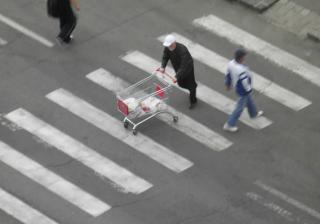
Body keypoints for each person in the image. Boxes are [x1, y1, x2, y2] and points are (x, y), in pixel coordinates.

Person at [223, 48, 263, 132]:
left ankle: (254, 114)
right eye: (244, 56)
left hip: (239, 88)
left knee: (249, 101)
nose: (245, 58)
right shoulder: (240, 69)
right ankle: (229, 124)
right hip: (243, 91)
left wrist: (227, 84)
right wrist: (249, 90)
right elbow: (244, 81)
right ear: (241, 58)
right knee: (239, 108)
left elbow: (228, 74)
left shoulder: (231, 63)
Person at [159, 34, 198, 109]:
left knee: (191, 85)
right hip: (177, 68)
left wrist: (176, 76)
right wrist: (163, 66)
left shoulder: (182, 50)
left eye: (170, 45)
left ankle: (193, 100)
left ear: (174, 43)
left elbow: (184, 65)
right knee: (181, 84)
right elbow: (165, 56)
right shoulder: (168, 48)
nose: (168, 46)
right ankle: (190, 87)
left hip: (187, 69)